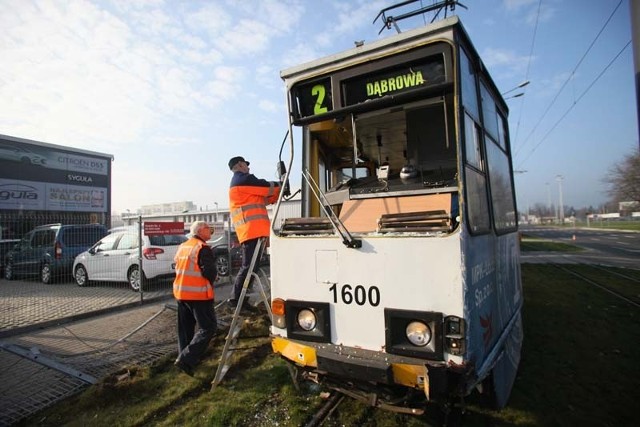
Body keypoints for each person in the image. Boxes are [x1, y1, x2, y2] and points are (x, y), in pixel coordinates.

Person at [228, 156, 280, 313]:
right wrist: (281, 183)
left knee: (251, 267)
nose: (248, 168)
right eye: (246, 165)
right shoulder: (243, 179)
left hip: (252, 231)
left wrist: (278, 191)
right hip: (252, 230)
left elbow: (265, 197)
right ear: (240, 165)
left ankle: (241, 300)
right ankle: (236, 300)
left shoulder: (244, 186)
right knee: (248, 267)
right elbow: (264, 186)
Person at [172, 220, 218, 376]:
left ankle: (184, 360)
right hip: (198, 295)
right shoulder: (202, 248)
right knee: (208, 327)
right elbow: (209, 271)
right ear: (199, 231)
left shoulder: (183, 246)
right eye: (208, 228)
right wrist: (213, 278)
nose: (210, 231)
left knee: (185, 330)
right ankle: (186, 359)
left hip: (181, 294)